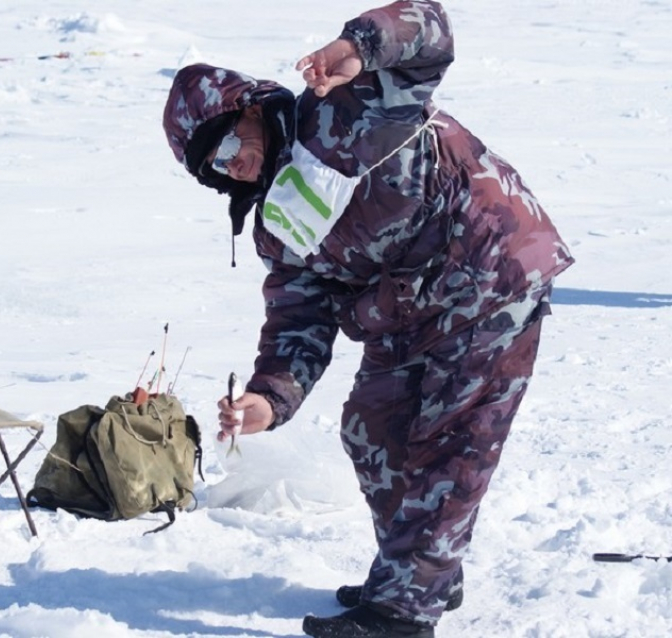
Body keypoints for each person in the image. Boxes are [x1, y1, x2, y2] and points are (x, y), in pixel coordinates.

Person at [162, 2, 574, 637]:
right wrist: (269, 398)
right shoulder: (276, 221)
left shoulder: (341, 109)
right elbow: (300, 315)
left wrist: (361, 45)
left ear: (245, 109)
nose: (230, 166)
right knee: (370, 430)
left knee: (447, 442)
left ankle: (404, 613)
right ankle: (425, 570)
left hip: (492, 273)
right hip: (408, 309)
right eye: (212, 169)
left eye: (224, 146)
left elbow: (430, 31)